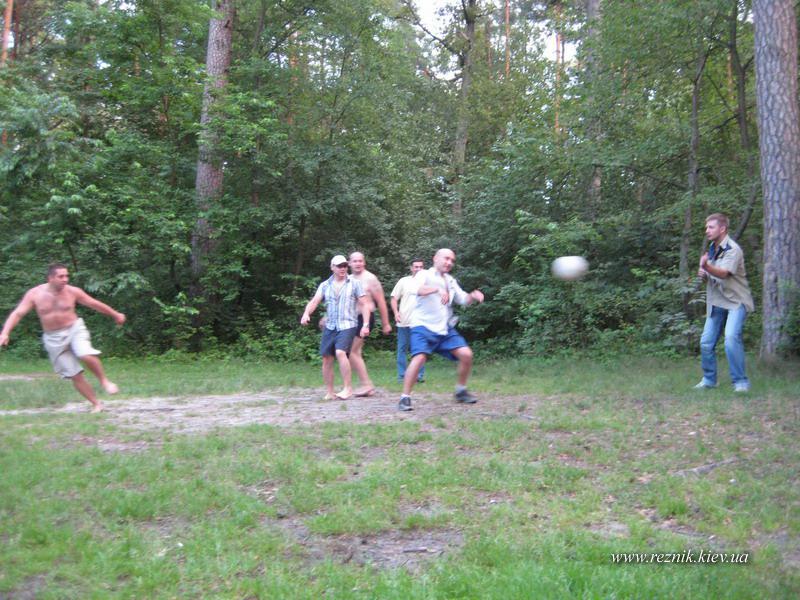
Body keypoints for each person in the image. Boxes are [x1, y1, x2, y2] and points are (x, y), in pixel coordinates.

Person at [0, 263, 126, 412]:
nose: (65, 279)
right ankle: (96, 404)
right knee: (75, 374)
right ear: (50, 278)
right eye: (61, 276)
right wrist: (5, 332)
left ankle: (104, 381)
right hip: (53, 337)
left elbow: (94, 304)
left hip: (74, 329)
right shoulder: (35, 294)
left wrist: (115, 314)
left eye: (67, 276)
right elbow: (18, 313)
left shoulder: (73, 291)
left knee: (84, 353)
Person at [398, 248, 484, 411]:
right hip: (422, 326)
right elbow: (417, 290)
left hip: (444, 328)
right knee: (419, 358)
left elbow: (463, 299)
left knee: (466, 354)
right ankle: (405, 398)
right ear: (435, 259)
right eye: (446, 258)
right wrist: (437, 289)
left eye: (452, 260)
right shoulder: (424, 274)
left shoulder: (450, 281)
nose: (449, 262)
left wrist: (472, 296)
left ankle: (460, 391)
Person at [695, 213, 754, 392]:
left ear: (722, 229)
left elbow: (724, 274)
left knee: (731, 338)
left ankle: (740, 382)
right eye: (706, 227)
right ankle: (709, 381)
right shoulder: (712, 248)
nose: (707, 231)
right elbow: (713, 276)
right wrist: (704, 274)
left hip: (736, 302)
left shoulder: (732, 249)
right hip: (717, 302)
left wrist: (706, 266)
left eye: (711, 227)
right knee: (706, 342)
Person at [301, 255, 371, 400]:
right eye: (339, 266)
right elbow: (314, 301)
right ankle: (330, 392)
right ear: (332, 267)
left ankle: (348, 388)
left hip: (348, 324)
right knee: (326, 358)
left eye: (345, 265)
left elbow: (365, 304)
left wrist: (365, 324)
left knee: (340, 352)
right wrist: (306, 314)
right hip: (331, 325)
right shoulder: (325, 285)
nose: (343, 268)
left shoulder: (354, 283)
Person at [348, 251, 392, 397]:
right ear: (349, 263)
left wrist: (386, 323)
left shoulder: (370, 279)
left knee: (351, 351)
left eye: (360, 261)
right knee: (356, 352)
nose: (358, 263)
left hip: (366, 318)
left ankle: (367, 384)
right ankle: (365, 386)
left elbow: (381, 301)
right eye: (355, 261)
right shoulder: (348, 279)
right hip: (352, 318)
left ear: (364, 262)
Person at [390, 258, 426, 383]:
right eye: (416, 267)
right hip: (404, 321)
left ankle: (419, 376)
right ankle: (402, 376)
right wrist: (396, 313)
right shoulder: (404, 281)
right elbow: (394, 298)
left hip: (421, 322)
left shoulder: (428, 282)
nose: (418, 269)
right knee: (402, 349)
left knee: (419, 350)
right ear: (411, 268)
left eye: (421, 267)